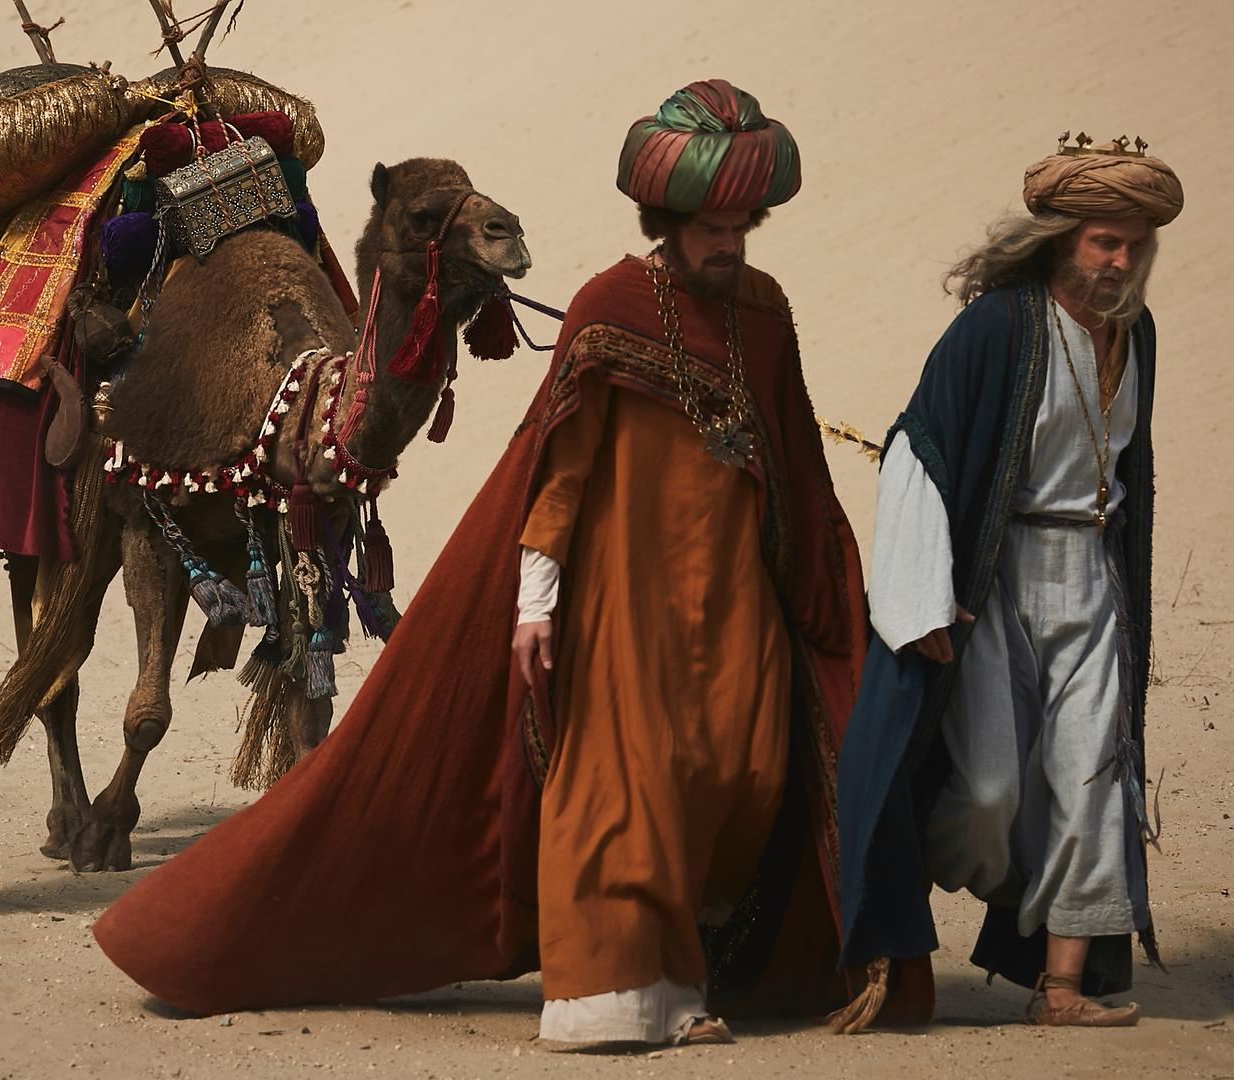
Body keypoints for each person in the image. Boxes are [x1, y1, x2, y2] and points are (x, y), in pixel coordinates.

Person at [92, 80, 912, 1047]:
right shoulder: (614, 305)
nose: (729, 244)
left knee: (740, 770)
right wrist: (533, 599)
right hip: (626, 602)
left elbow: (797, 465)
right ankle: (621, 990)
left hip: (738, 604)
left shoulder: (763, 312)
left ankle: (702, 959)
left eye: (743, 225)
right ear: (670, 218)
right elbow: (553, 466)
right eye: (711, 227)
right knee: (628, 781)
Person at [835, 136, 1182, 1027]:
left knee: (1093, 779)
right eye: (1106, 241)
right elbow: (920, 445)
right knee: (989, 792)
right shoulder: (1000, 324)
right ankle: (943, 888)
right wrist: (919, 595)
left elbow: (1128, 467)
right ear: (1064, 238)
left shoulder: (1135, 331)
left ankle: (1061, 986)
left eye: (1136, 245)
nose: (1121, 261)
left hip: (1091, 578)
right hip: (997, 578)